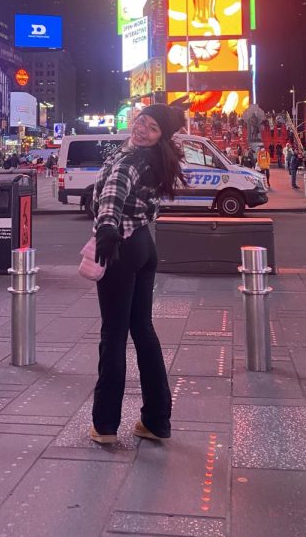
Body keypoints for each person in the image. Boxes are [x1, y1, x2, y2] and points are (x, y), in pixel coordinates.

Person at [90, 104, 185, 445]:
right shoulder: (154, 158)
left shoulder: (132, 160)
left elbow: (114, 192)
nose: (142, 128)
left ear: (162, 136)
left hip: (122, 246)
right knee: (143, 330)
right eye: (142, 121)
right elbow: (143, 202)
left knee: (113, 336)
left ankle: (104, 425)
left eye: (153, 127)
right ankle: (157, 419)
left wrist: (106, 229)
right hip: (144, 244)